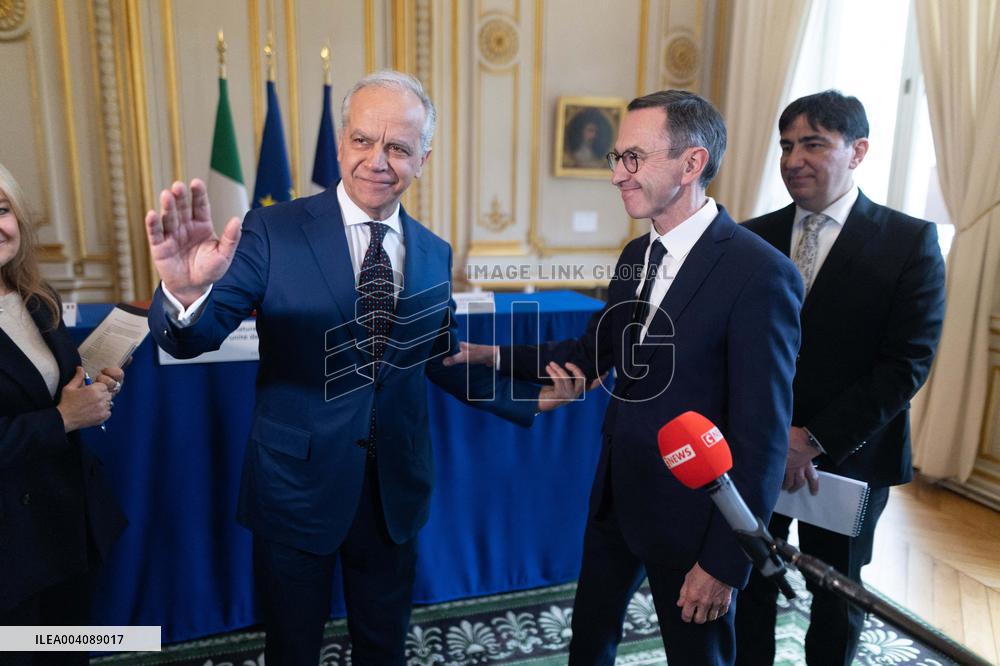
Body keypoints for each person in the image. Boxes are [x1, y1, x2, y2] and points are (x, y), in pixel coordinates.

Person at [144, 70, 584, 666]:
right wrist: (183, 293)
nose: (378, 160)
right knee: (292, 648)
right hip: (295, 486)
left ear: (422, 158)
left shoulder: (433, 251)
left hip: (391, 492)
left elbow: (438, 353)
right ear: (342, 143)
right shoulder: (270, 230)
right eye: (362, 140)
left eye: (398, 147)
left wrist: (526, 399)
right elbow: (195, 337)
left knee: (383, 646)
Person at [447, 90, 803, 664]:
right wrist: (489, 355)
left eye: (633, 158)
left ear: (692, 164)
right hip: (617, 497)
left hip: (694, 521)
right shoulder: (636, 256)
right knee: (589, 644)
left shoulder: (760, 274)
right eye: (616, 157)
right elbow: (591, 352)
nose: (616, 175)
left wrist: (724, 561)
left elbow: (762, 438)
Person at [734, 90, 946, 666]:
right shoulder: (749, 236)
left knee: (837, 596)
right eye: (785, 145)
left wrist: (812, 439)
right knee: (749, 584)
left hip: (849, 459)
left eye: (812, 143)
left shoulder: (910, 244)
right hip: (756, 451)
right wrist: (770, 437)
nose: (793, 158)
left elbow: (907, 364)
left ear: (858, 152)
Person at [0, 163, 127, 665]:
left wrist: (92, 388)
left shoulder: (35, 294)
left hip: (68, 524)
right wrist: (62, 419)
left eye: (1, 209)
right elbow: (55, 415)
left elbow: (54, 388)